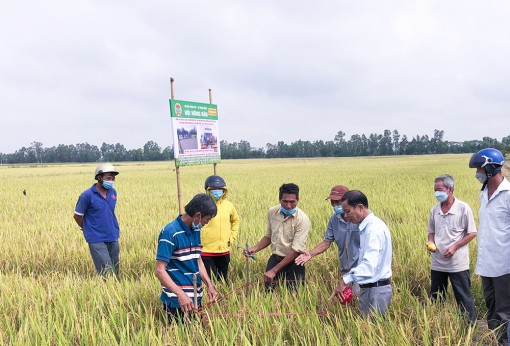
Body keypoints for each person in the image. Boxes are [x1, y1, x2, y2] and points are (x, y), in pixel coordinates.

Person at [155, 194, 219, 322]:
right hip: (177, 301)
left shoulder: (195, 230)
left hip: (195, 298)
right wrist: (180, 294)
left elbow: (198, 259)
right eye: (207, 219)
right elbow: (159, 270)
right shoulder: (170, 232)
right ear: (197, 215)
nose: (206, 223)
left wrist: (209, 285)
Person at [469, 148, 510, 345]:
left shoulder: (508, 194)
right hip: (486, 264)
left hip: (504, 265)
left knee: (505, 311)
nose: (477, 173)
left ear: (491, 168)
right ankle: (497, 340)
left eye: (479, 168)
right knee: (491, 308)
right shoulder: (484, 192)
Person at [333, 190, 392, 318]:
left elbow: (369, 266)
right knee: (365, 331)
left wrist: (345, 279)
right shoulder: (366, 227)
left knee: (374, 333)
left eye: (348, 211)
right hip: (368, 289)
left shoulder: (374, 229)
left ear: (360, 207)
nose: (346, 216)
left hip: (376, 291)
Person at [426, 174, 477, 323]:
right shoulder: (434, 210)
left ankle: (469, 325)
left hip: (457, 264)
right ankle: (437, 322)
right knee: (436, 296)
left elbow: (472, 232)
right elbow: (431, 232)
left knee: (463, 296)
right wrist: (430, 242)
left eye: (439, 190)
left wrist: (455, 246)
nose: (436, 193)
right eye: (435, 190)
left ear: (450, 189)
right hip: (438, 262)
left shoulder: (463, 208)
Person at [244, 183, 311, 290]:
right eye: (285, 201)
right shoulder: (272, 212)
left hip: (294, 262)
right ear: (279, 199)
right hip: (276, 258)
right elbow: (269, 236)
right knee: (268, 291)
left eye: (292, 202)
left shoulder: (302, 219)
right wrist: (255, 248)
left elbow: (296, 251)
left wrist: (274, 270)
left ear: (298, 200)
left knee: (294, 295)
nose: (289, 205)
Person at [295, 185, 360, 288]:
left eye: (338, 202)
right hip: (346, 270)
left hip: (362, 270)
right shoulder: (334, 219)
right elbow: (326, 242)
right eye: (332, 202)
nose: (335, 205)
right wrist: (310, 254)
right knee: (346, 299)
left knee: (360, 298)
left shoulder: (359, 219)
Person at [73, 163, 121, 277]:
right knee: (107, 270)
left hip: (112, 235)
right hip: (96, 238)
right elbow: (77, 215)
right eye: (108, 178)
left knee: (115, 268)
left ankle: (116, 291)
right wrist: (87, 228)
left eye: (113, 178)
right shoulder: (86, 195)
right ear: (99, 178)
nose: (112, 181)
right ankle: (108, 291)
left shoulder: (113, 193)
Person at [200, 175, 240, 282]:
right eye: (213, 190)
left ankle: (222, 298)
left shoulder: (229, 206)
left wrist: (232, 237)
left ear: (224, 191)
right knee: (209, 281)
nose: (217, 192)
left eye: (220, 189)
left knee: (223, 280)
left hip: (224, 251)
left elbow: (236, 221)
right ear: (208, 191)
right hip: (206, 251)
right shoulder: (202, 205)